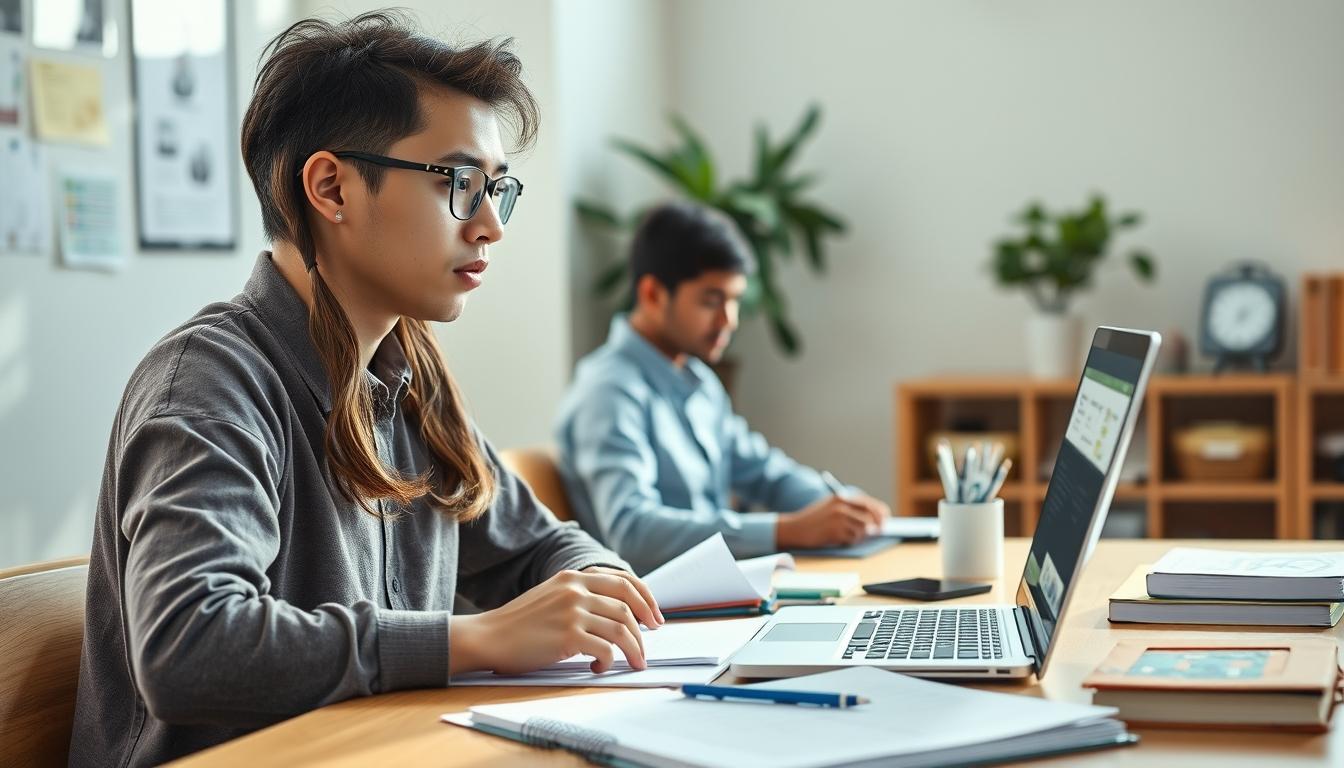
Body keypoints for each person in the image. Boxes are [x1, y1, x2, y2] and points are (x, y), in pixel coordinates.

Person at [68, 12, 662, 767]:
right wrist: (478, 638)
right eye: (459, 183)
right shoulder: (209, 380)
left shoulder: (412, 377)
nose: (490, 226)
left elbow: (537, 545)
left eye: (498, 190)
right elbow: (191, 644)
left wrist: (602, 585)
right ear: (331, 187)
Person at [555, 201, 889, 574]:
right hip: (656, 613)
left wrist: (844, 509)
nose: (728, 321)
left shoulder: (699, 381)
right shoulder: (610, 390)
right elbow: (632, 533)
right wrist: (787, 531)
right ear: (652, 295)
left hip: (714, 590)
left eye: (734, 302)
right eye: (711, 301)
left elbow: (764, 473)